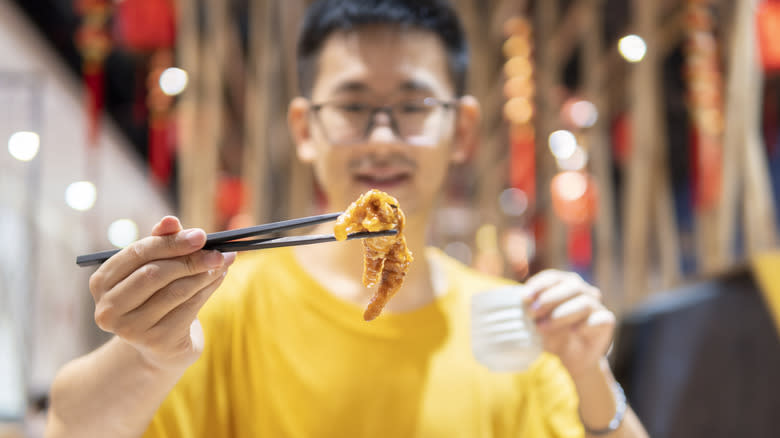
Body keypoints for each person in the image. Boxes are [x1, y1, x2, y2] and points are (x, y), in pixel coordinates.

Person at [46, 1, 649, 437]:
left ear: (461, 129)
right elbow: (72, 427)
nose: (381, 137)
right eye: (352, 106)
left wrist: (588, 370)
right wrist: (150, 352)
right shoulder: (223, 306)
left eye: (412, 106)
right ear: (306, 130)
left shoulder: (506, 321)